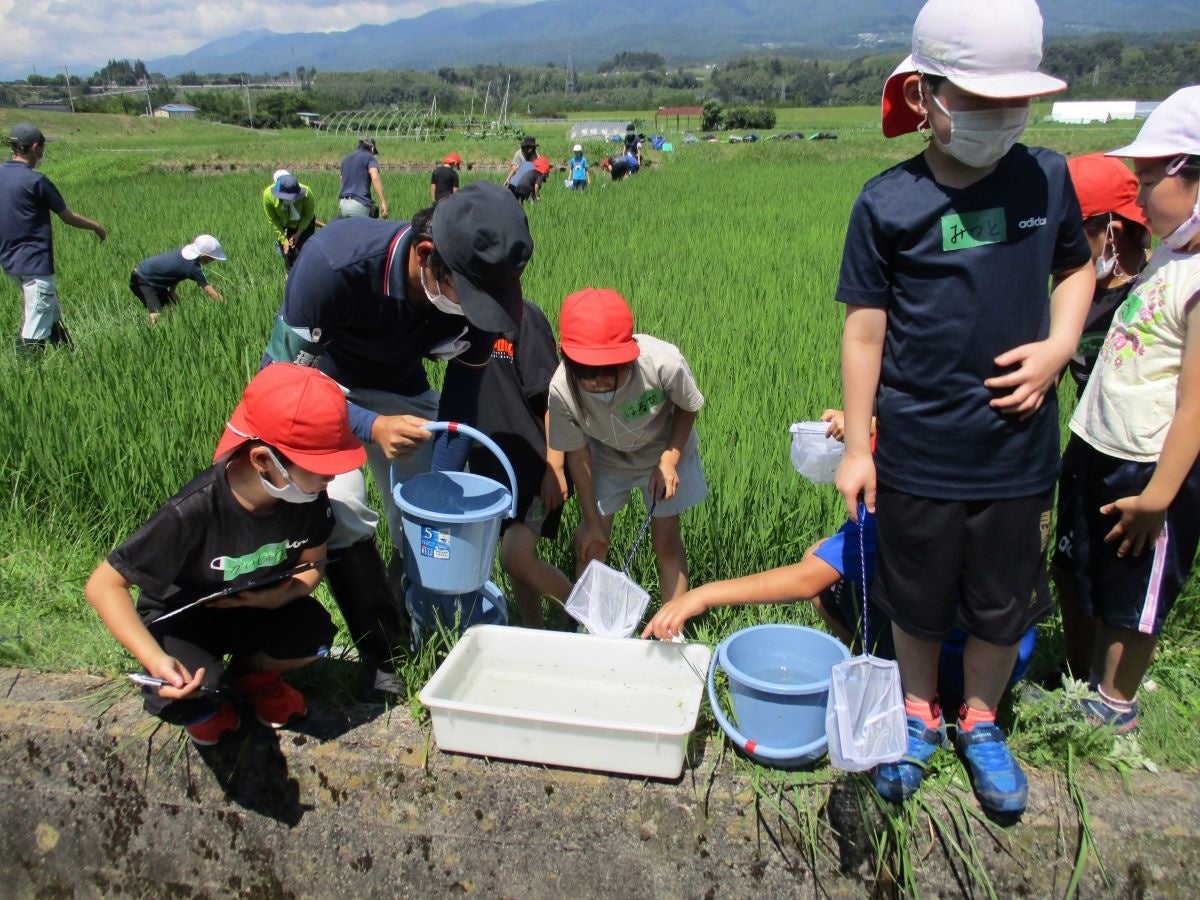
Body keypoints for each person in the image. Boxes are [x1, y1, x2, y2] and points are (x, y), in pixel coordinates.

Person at [834, 0, 1094, 817]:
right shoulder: (888, 203)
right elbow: (865, 332)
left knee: (1000, 602)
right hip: (919, 447)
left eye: (1012, 102)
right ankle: (918, 714)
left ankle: (981, 720)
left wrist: (1059, 347)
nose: (996, 118)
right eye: (977, 100)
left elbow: (1076, 268)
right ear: (925, 95)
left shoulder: (1045, 178)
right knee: (915, 597)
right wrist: (859, 447)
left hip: (1016, 449)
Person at [262, 182, 534, 694]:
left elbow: (459, 404)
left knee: (438, 501)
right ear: (427, 256)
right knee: (341, 507)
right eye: (470, 297)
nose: (478, 313)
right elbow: (278, 382)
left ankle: (418, 612)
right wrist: (369, 426)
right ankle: (384, 653)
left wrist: (437, 499)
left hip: (402, 390)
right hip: (320, 388)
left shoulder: (478, 299)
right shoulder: (333, 263)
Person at [83, 364, 366, 746]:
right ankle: (205, 706)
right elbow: (103, 585)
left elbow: (311, 563)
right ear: (263, 460)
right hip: (187, 618)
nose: (330, 478)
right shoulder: (190, 513)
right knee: (186, 693)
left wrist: (278, 597)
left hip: (256, 608)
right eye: (320, 468)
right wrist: (155, 661)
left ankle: (253, 677)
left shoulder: (307, 497)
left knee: (313, 637)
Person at [1056, 85, 1200, 736]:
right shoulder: (1172, 255)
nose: (1138, 198)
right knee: (1082, 565)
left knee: (1133, 587)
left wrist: (1159, 496)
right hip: (1097, 444)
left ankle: (1113, 704)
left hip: (1148, 467)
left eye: (1147, 181)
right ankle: (1081, 680)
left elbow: (1195, 403)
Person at [1051, 153, 1152, 676]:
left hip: (1139, 457)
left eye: (1069, 229)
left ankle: (1110, 693)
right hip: (1085, 445)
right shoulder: (1074, 290)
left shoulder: (1151, 290)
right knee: (1070, 565)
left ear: (1110, 229)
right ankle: (1076, 676)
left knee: (1124, 577)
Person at [548, 287, 707, 605]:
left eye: (610, 371)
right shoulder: (562, 389)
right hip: (606, 457)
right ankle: (588, 625)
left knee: (665, 539)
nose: (598, 383)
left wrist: (669, 459)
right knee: (592, 543)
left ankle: (672, 626)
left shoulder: (663, 363)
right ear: (566, 356)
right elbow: (577, 454)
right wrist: (591, 521)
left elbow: (688, 406)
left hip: (664, 448)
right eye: (587, 373)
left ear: (628, 353)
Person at [470, 299, 573, 627]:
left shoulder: (524, 318)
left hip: (537, 471)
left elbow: (552, 398)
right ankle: (532, 629)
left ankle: (588, 615)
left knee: (515, 555)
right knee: (517, 561)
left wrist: (555, 467)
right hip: (493, 468)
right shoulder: (464, 316)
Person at [0, 121, 106, 349]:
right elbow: (68, 217)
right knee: (36, 321)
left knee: (50, 311)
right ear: (35, 147)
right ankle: (28, 368)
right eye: (43, 147)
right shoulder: (36, 181)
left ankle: (70, 356)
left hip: (10, 261)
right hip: (35, 262)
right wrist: (96, 226)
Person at [129, 234, 227, 325]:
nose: (213, 261)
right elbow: (208, 290)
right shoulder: (192, 267)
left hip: (150, 276)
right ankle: (151, 333)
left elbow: (176, 273)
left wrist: (172, 292)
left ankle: (171, 327)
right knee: (156, 312)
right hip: (143, 279)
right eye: (211, 258)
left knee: (173, 302)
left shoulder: (186, 251)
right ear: (203, 256)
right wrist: (225, 304)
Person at [262, 170, 321, 274]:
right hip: (285, 225)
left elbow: (308, 215)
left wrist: (298, 234)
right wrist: (283, 239)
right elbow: (273, 219)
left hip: (304, 223)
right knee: (288, 254)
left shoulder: (307, 193)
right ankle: (290, 277)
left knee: (303, 253)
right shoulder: (268, 195)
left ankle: (308, 275)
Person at [338, 137, 389, 220]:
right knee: (367, 226)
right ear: (372, 148)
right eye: (374, 152)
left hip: (343, 205)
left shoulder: (345, 159)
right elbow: (375, 177)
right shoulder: (369, 157)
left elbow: (341, 180)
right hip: (359, 204)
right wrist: (383, 202)